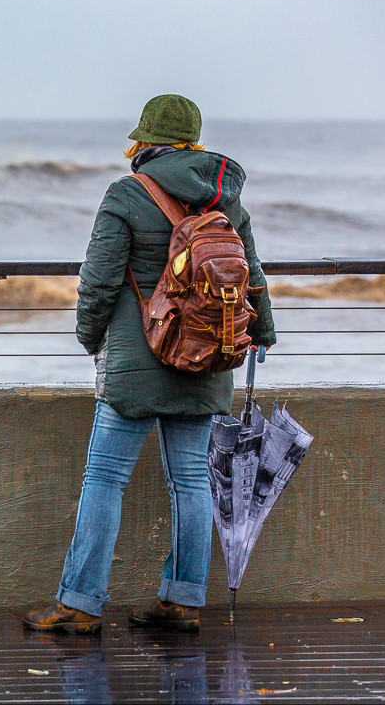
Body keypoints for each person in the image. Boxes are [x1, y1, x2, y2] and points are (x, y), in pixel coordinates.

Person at [23, 94, 277, 633]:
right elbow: (250, 276)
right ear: (193, 142)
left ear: (143, 141)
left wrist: (90, 337)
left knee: (105, 477)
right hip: (208, 358)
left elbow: (99, 280)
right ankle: (182, 600)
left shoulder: (127, 194)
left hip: (139, 364)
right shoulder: (224, 199)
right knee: (190, 481)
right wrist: (263, 335)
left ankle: (80, 603)